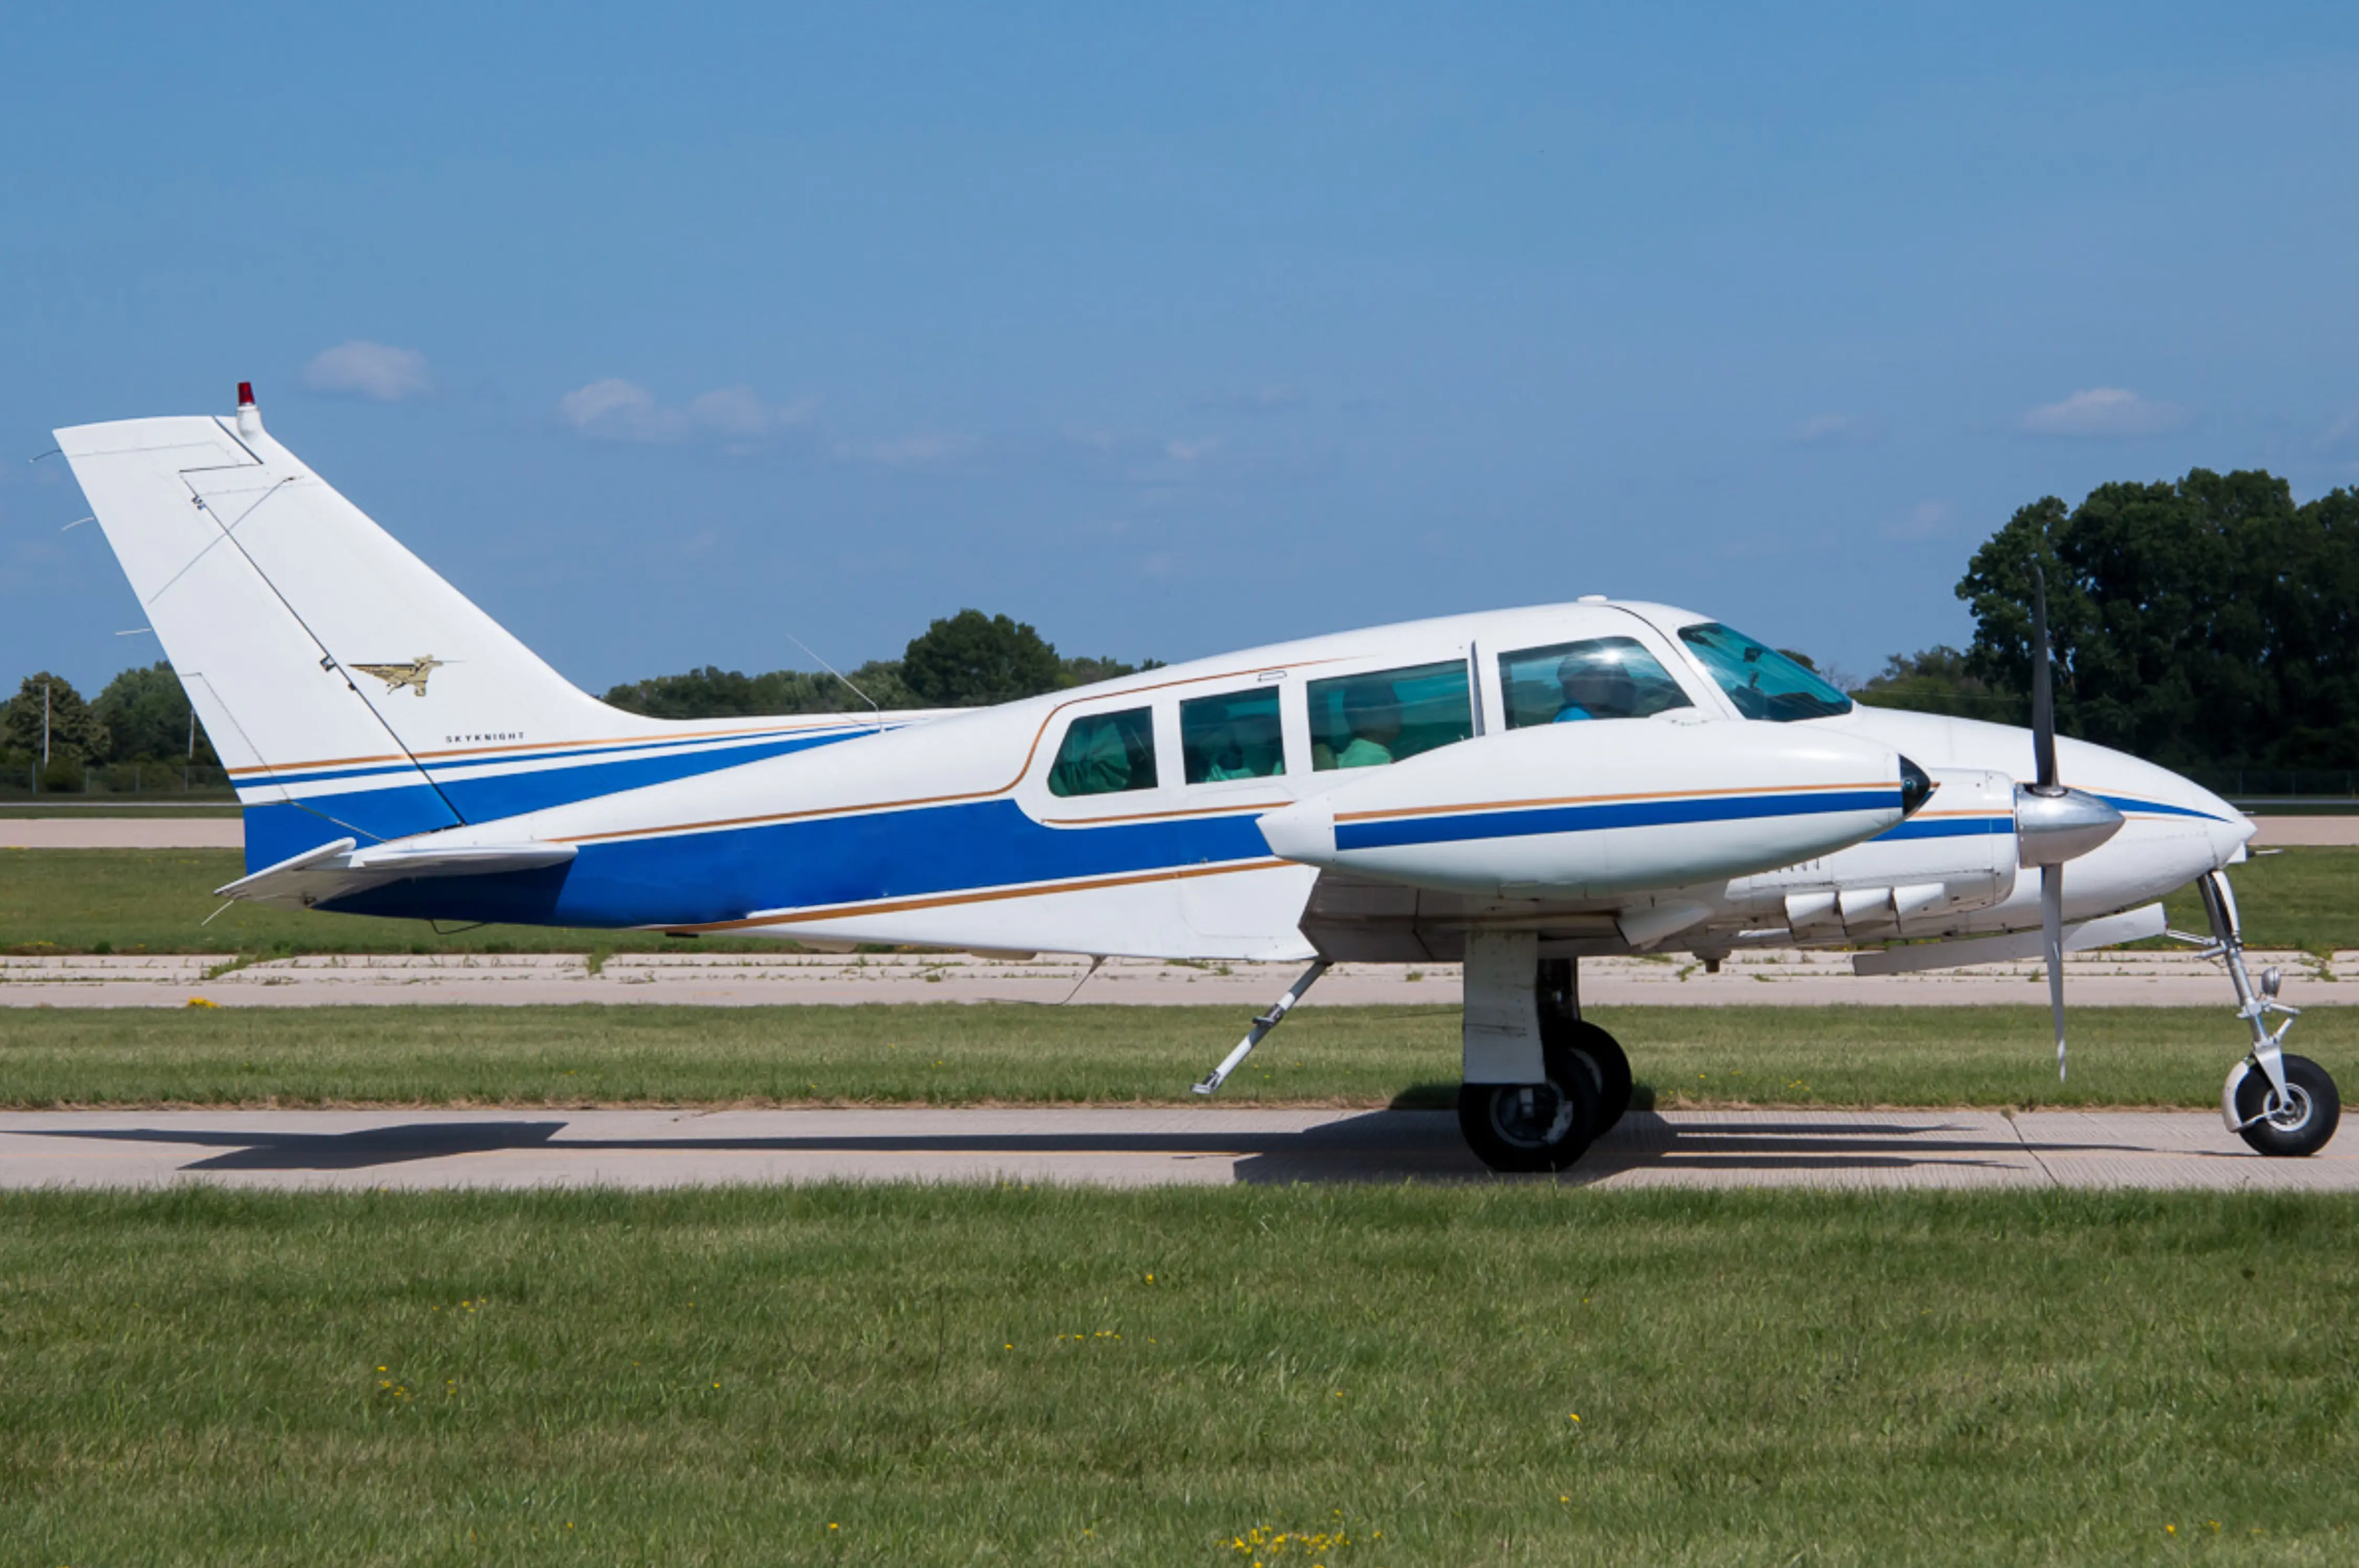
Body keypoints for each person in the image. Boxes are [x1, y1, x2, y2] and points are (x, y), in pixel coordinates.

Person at [1553, 653, 1636, 723]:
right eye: (1599, 677)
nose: (1607, 683)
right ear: (1575, 685)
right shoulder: (1576, 716)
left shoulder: (1593, 714)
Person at [1336, 682, 1401, 767]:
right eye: (1387, 704)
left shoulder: (1357, 755)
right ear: (1363, 716)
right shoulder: (1375, 761)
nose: (1398, 708)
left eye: (1396, 702)